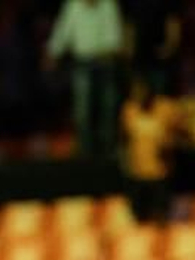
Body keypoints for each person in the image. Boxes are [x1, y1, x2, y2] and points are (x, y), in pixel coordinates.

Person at [46, 0, 125, 158]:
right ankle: (85, 149)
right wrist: (53, 52)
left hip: (106, 61)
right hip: (82, 62)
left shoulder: (108, 4)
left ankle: (107, 147)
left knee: (107, 106)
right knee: (82, 108)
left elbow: (115, 34)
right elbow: (63, 30)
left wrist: (111, 50)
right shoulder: (73, 5)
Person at [120, 78, 178, 223]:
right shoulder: (129, 110)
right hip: (138, 172)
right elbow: (124, 138)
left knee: (161, 215)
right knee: (139, 216)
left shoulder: (165, 108)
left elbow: (176, 134)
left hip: (160, 172)